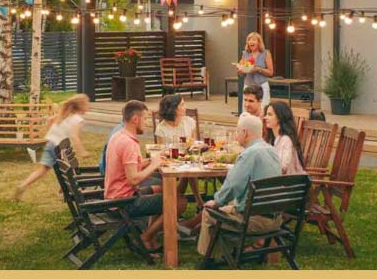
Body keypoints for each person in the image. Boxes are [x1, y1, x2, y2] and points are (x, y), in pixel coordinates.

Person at [196, 113, 282, 265]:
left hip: (254, 220)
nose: (236, 135)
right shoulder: (271, 150)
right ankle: (228, 253)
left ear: (245, 132)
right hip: (276, 218)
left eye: (237, 131)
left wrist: (216, 202)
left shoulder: (249, 154)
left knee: (208, 212)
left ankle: (208, 259)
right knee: (230, 206)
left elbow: (233, 185)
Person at [105, 100, 185, 254]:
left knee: (163, 190)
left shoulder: (119, 136)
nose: (147, 123)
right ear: (135, 119)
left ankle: (151, 235)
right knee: (179, 201)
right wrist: (154, 165)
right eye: (146, 118)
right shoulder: (129, 143)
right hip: (123, 203)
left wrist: (151, 160)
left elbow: (130, 166)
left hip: (116, 195)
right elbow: (133, 179)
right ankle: (145, 238)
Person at [14, 94, 89, 200]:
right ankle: (63, 193)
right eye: (87, 103)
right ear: (81, 106)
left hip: (50, 144)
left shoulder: (63, 115)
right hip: (61, 147)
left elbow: (50, 120)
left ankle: (23, 185)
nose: (88, 106)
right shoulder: (77, 119)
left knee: (43, 170)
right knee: (69, 170)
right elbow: (74, 136)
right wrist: (82, 151)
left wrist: (51, 133)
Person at [264, 101, 305, 175]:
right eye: (266, 114)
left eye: (270, 114)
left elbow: (283, 167)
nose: (265, 117)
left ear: (280, 117)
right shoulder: (272, 138)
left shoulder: (286, 140)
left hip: (288, 180)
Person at [238, 32, 274, 107]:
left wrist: (258, 69)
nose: (251, 41)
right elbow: (241, 74)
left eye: (253, 40)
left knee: (263, 109)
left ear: (259, 42)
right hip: (248, 87)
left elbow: (271, 72)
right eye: (249, 40)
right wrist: (240, 70)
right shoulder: (245, 54)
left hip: (262, 87)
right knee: (247, 109)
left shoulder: (265, 53)